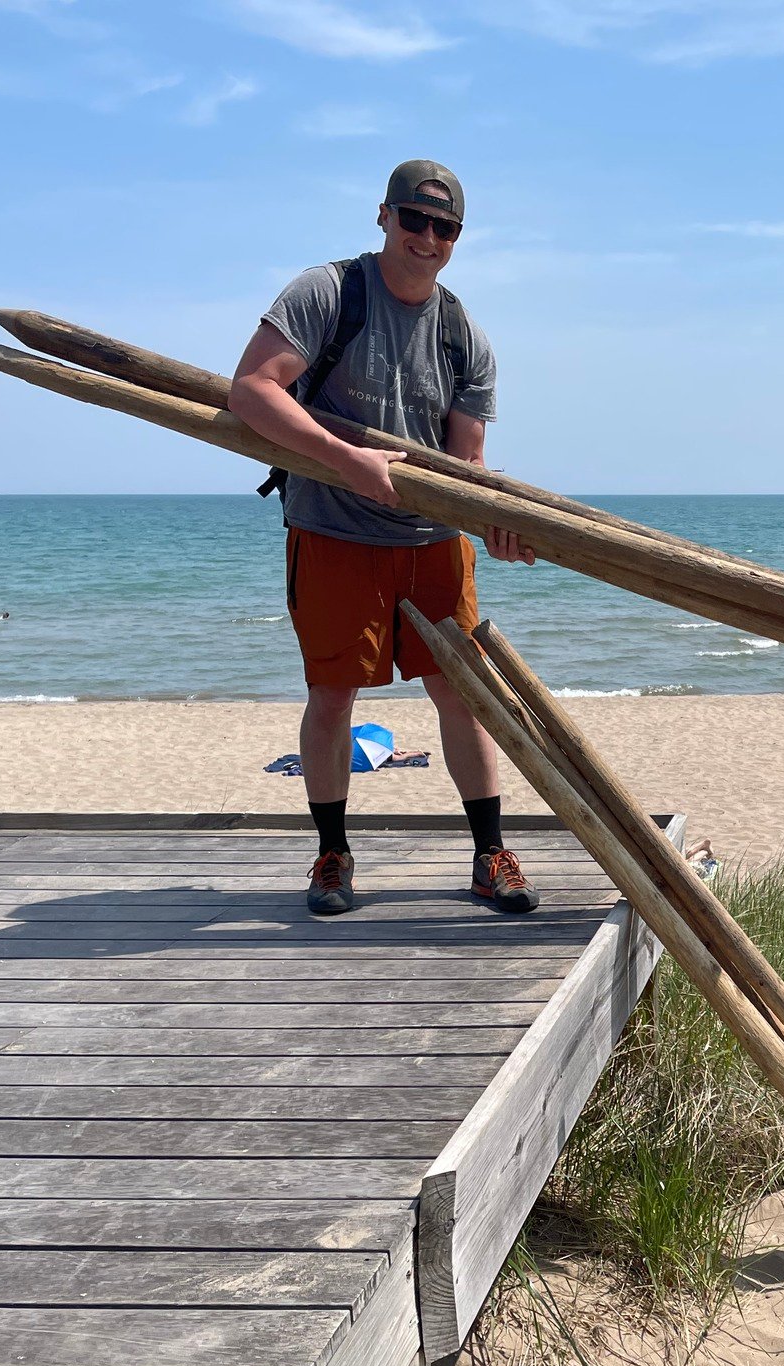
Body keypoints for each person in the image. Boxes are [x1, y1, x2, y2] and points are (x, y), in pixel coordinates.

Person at [229, 159, 539, 918]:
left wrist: (494, 522)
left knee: (462, 696)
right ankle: (333, 855)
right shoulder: (328, 293)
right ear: (384, 217)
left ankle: (488, 855)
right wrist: (346, 462)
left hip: (432, 539)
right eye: (415, 220)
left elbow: (466, 463)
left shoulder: (465, 335)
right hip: (332, 527)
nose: (427, 239)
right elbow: (250, 389)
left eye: (445, 228)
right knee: (332, 696)